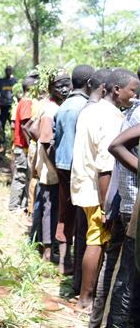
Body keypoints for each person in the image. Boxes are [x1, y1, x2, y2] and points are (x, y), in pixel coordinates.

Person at [71, 68, 138, 311]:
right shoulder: (112, 118)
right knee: (96, 241)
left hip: (84, 183)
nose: (134, 95)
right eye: (132, 90)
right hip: (98, 190)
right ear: (116, 89)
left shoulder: (90, 110)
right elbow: (106, 165)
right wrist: (107, 206)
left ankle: (82, 291)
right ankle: (86, 299)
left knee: (90, 237)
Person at [96, 69, 140, 327]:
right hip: (133, 204)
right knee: (128, 278)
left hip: (126, 201)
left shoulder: (130, 111)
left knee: (125, 275)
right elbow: (115, 146)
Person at [52, 65, 94, 275]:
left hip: (61, 165)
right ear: (89, 83)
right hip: (79, 168)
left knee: (65, 213)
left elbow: (54, 139)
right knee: (82, 218)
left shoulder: (63, 106)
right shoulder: (86, 107)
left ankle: (64, 262)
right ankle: (78, 268)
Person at [30, 72, 70, 260]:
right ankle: (47, 250)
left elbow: (31, 128)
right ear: (50, 88)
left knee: (51, 206)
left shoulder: (55, 107)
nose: (64, 89)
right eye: (59, 85)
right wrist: (57, 167)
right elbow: (46, 141)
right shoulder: (51, 110)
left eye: (66, 84)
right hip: (51, 169)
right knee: (50, 207)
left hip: (51, 166)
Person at [8, 77, 34, 211]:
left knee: (25, 176)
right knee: (21, 176)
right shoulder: (26, 103)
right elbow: (25, 126)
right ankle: (14, 206)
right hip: (22, 146)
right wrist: (30, 145)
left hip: (22, 146)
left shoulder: (25, 102)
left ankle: (22, 205)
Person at [0, 65, 16, 142]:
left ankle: (14, 141)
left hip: (11, 106)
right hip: (2, 106)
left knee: (13, 125)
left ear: (12, 71)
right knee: (1, 124)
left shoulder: (14, 81)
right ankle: (1, 141)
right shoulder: (0, 81)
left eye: (10, 70)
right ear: (5, 71)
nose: (8, 71)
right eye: (7, 70)